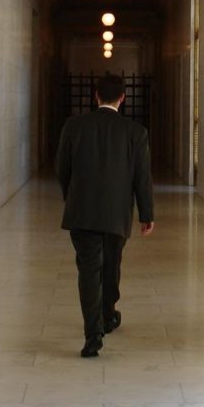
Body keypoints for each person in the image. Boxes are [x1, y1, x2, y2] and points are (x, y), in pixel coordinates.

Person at [55, 73, 154, 357]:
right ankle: (108, 314)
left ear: (96, 96)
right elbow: (142, 177)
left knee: (88, 271)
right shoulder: (135, 132)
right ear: (122, 98)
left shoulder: (74, 126)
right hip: (116, 215)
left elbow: (61, 167)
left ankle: (93, 333)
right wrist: (146, 213)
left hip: (82, 213)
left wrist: (71, 194)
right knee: (112, 265)